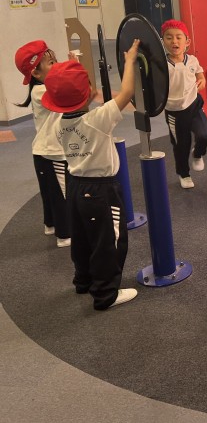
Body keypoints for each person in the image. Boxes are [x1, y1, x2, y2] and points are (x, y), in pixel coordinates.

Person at [43, 40, 142, 310]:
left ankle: (83, 280)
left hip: (76, 187)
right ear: (87, 92)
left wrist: (72, 68)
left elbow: (73, 96)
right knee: (108, 241)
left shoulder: (59, 123)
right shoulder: (97, 120)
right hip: (101, 191)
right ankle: (105, 294)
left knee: (83, 238)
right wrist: (130, 61)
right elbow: (127, 92)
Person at [13, 40, 71, 248]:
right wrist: (74, 69)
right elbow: (66, 94)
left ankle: (51, 225)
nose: (57, 64)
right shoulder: (41, 91)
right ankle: (65, 235)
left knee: (49, 192)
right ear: (36, 73)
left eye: (55, 60)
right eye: (51, 63)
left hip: (42, 150)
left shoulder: (40, 88)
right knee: (63, 194)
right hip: (52, 151)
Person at [162, 19, 207, 189]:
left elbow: (200, 76)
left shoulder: (192, 60)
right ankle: (184, 173)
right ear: (163, 41)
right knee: (181, 145)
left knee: (205, 135)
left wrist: (202, 80)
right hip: (174, 112)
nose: (174, 41)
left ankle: (198, 154)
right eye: (169, 37)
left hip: (194, 105)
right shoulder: (161, 64)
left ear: (187, 42)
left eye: (178, 37)